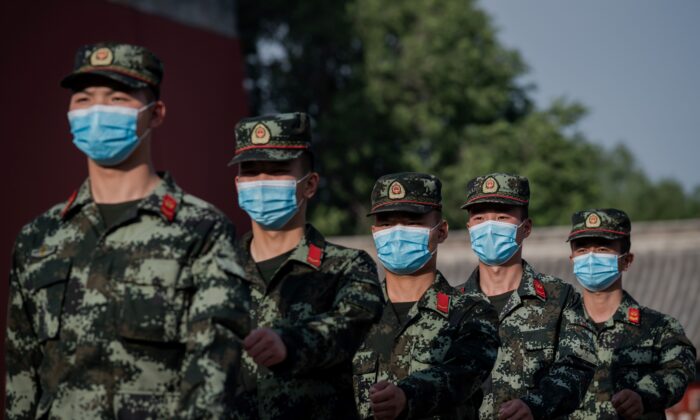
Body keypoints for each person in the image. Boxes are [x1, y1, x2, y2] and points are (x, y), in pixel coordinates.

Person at [4, 42, 250, 419]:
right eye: (83, 99)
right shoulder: (39, 238)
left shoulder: (202, 230)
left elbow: (212, 380)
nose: (97, 111)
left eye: (117, 98)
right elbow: (21, 379)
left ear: (156, 114)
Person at [229, 112, 384, 418]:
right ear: (237, 184)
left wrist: (290, 343)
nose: (261, 183)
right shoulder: (216, 268)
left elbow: (350, 325)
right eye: (251, 172)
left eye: (276, 172)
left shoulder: (346, 267)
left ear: (309, 184)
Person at [353, 172, 500, 419]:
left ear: (441, 231)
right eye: (387, 223)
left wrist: (406, 396)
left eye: (412, 222)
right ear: (374, 231)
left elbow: (464, 372)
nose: (397, 233)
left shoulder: (471, 312)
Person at [457, 172, 597, 420]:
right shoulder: (451, 304)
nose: (489, 227)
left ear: (526, 227)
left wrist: (535, 405)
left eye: (501, 217)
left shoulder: (560, 298)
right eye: (479, 218)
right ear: (469, 228)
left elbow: (578, 367)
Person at [565, 208, 696, 419]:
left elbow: (679, 371)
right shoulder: (555, 325)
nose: (590, 258)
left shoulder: (660, 328)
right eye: (582, 250)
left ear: (626, 260)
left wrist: (643, 395)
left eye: (602, 249)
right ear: (572, 259)